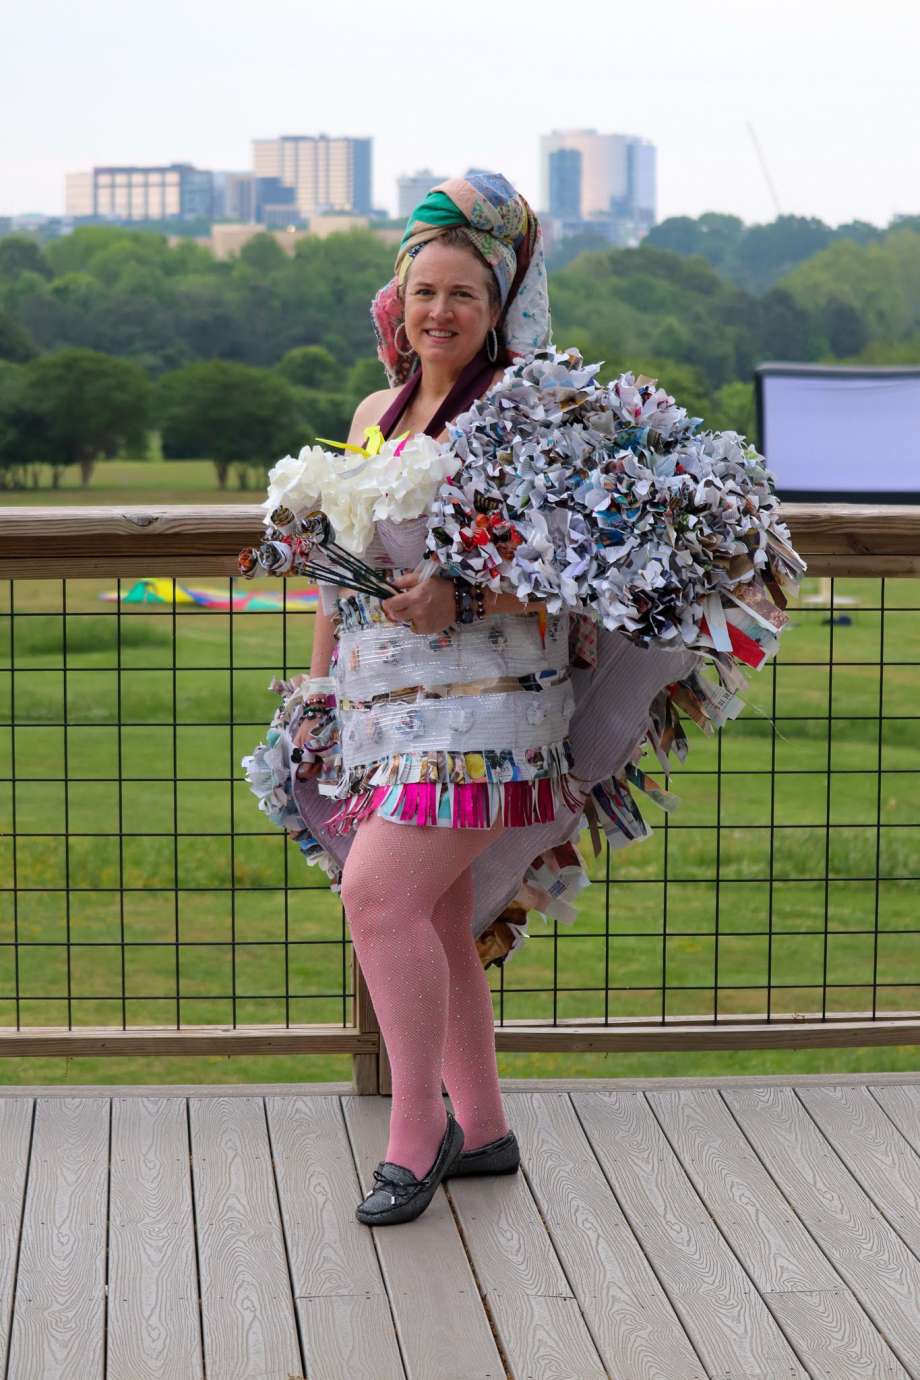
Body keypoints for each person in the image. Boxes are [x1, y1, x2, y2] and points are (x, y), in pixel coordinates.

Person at [249, 171, 795, 1228]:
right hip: (384, 705)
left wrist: (469, 588)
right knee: (438, 913)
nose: (439, 313)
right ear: (395, 306)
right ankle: (485, 1126)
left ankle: (418, 1135)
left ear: (499, 306)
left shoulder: (531, 410)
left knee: (379, 898)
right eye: (422, 294)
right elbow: (338, 568)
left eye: (463, 293)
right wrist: (321, 685)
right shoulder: (374, 412)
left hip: (491, 714)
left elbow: (605, 561)